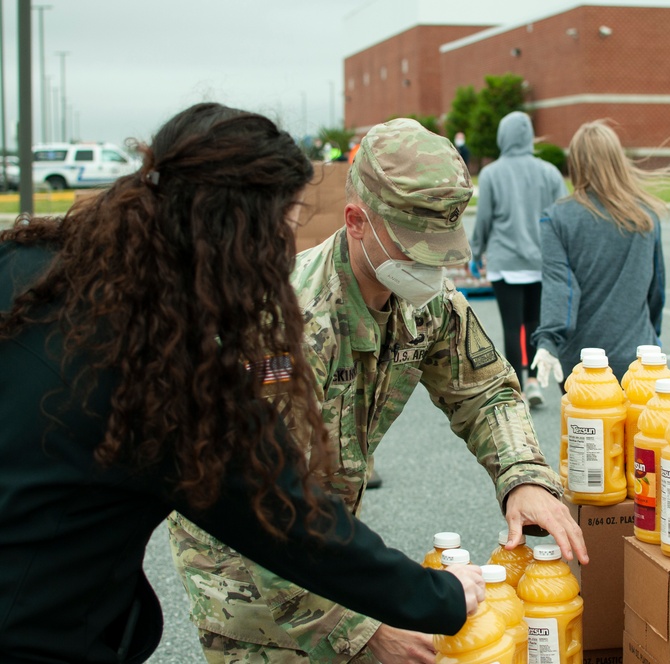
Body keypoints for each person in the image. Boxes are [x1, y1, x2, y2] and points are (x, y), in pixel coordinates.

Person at [0, 104, 485, 663]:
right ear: (236, 232)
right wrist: (439, 597)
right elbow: (289, 517)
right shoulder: (168, 369)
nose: (285, 250)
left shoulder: (32, 267)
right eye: (283, 227)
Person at [169, 117, 588, 664]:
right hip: (250, 587)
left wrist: (522, 477)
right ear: (357, 221)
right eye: (417, 246)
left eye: (443, 245)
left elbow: (483, 390)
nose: (432, 264)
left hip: (327, 550)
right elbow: (257, 507)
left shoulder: (425, 300)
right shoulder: (287, 326)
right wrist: (359, 630)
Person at [530, 120, 670, 385]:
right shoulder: (645, 217)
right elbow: (656, 291)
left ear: (576, 163)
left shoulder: (558, 218)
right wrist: (652, 338)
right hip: (640, 358)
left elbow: (560, 287)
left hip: (583, 363)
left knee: (583, 427)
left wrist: (549, 340)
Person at [470, 111, 568, 407]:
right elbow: (562, 216)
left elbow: (484, 219)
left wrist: (477, 252)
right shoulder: (549, 172)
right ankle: (536, 381)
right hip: (542, 262)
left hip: (505, 260)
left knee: (511, 326)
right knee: (536, 323)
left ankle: (518, 390)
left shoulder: (491, 174)